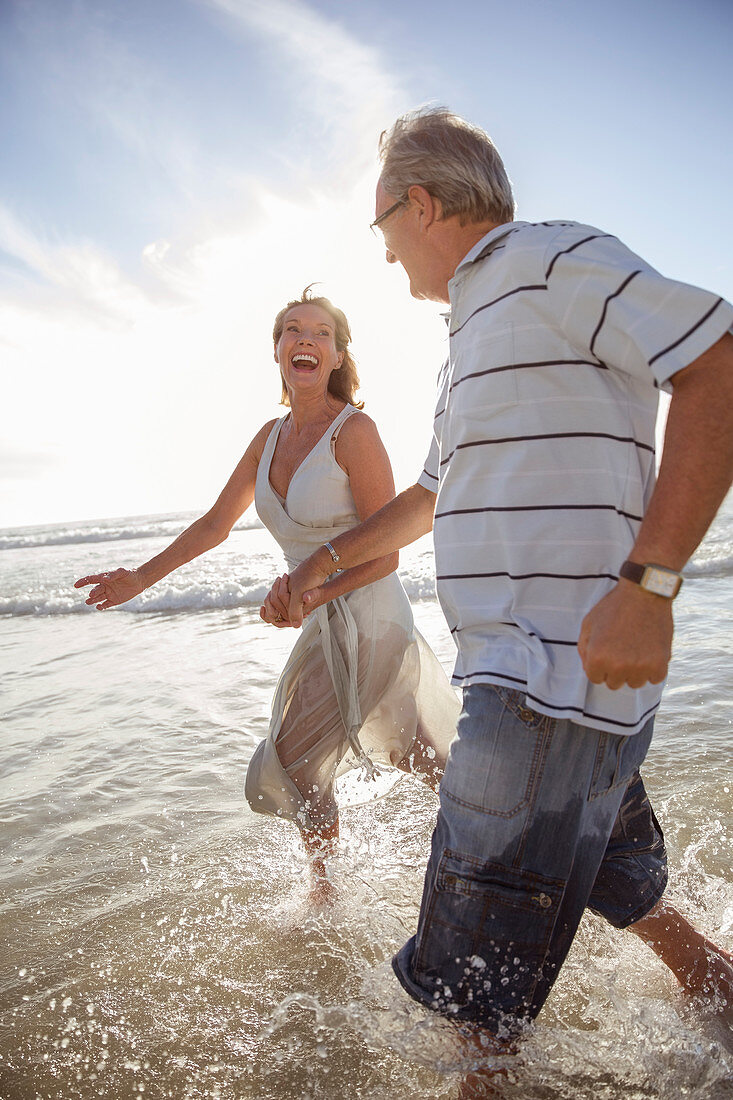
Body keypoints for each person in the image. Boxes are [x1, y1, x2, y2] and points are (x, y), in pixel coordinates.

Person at [277, 109, 733, 1048]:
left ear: (420, 202)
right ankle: (717, 994)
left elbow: (717, 363)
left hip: (540, 677)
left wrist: (650, 588)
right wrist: (325, 565)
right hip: (551, 677)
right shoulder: (468, 337)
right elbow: (427, 498)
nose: (387, 252)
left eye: (382, 225)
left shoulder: (550, 259)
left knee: (468, 997)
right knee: (610, 877)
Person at [75, 287, 459, 902]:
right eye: (292, 331)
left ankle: (328, 892)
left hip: (369, 614)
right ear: (277, 351)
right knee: (420, 758)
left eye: (321, 333)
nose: (305, 340)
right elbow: (213, 525)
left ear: (336, 357)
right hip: (315, 620)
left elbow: (387, 552)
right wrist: (139, 579)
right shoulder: (268, 437)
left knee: (293, 760)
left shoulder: (353, 430)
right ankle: (489, 834)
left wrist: (314, 587)